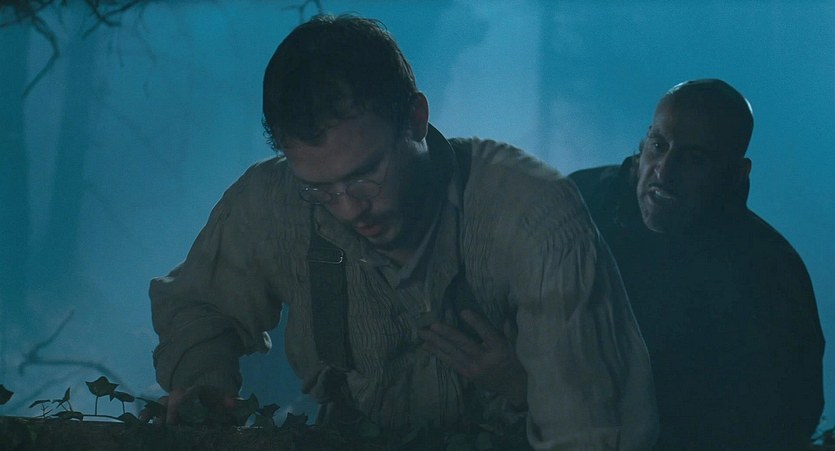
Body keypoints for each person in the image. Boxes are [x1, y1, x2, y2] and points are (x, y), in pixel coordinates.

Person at [150, 14, 659, 449]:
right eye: (319, 188)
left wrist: (519, 385)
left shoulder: (531, 212)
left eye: (365, 174)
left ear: (415, 119)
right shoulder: (271, 201)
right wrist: (202, 383)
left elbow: (590, 431)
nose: (348, 208)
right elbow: (201, 305)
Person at [569, 79, 825, 450]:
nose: (664, 171)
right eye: (659, 145)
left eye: (694, 159)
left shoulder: (770, 278)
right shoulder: (578, 203)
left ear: (736, 174)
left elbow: (783, 422)